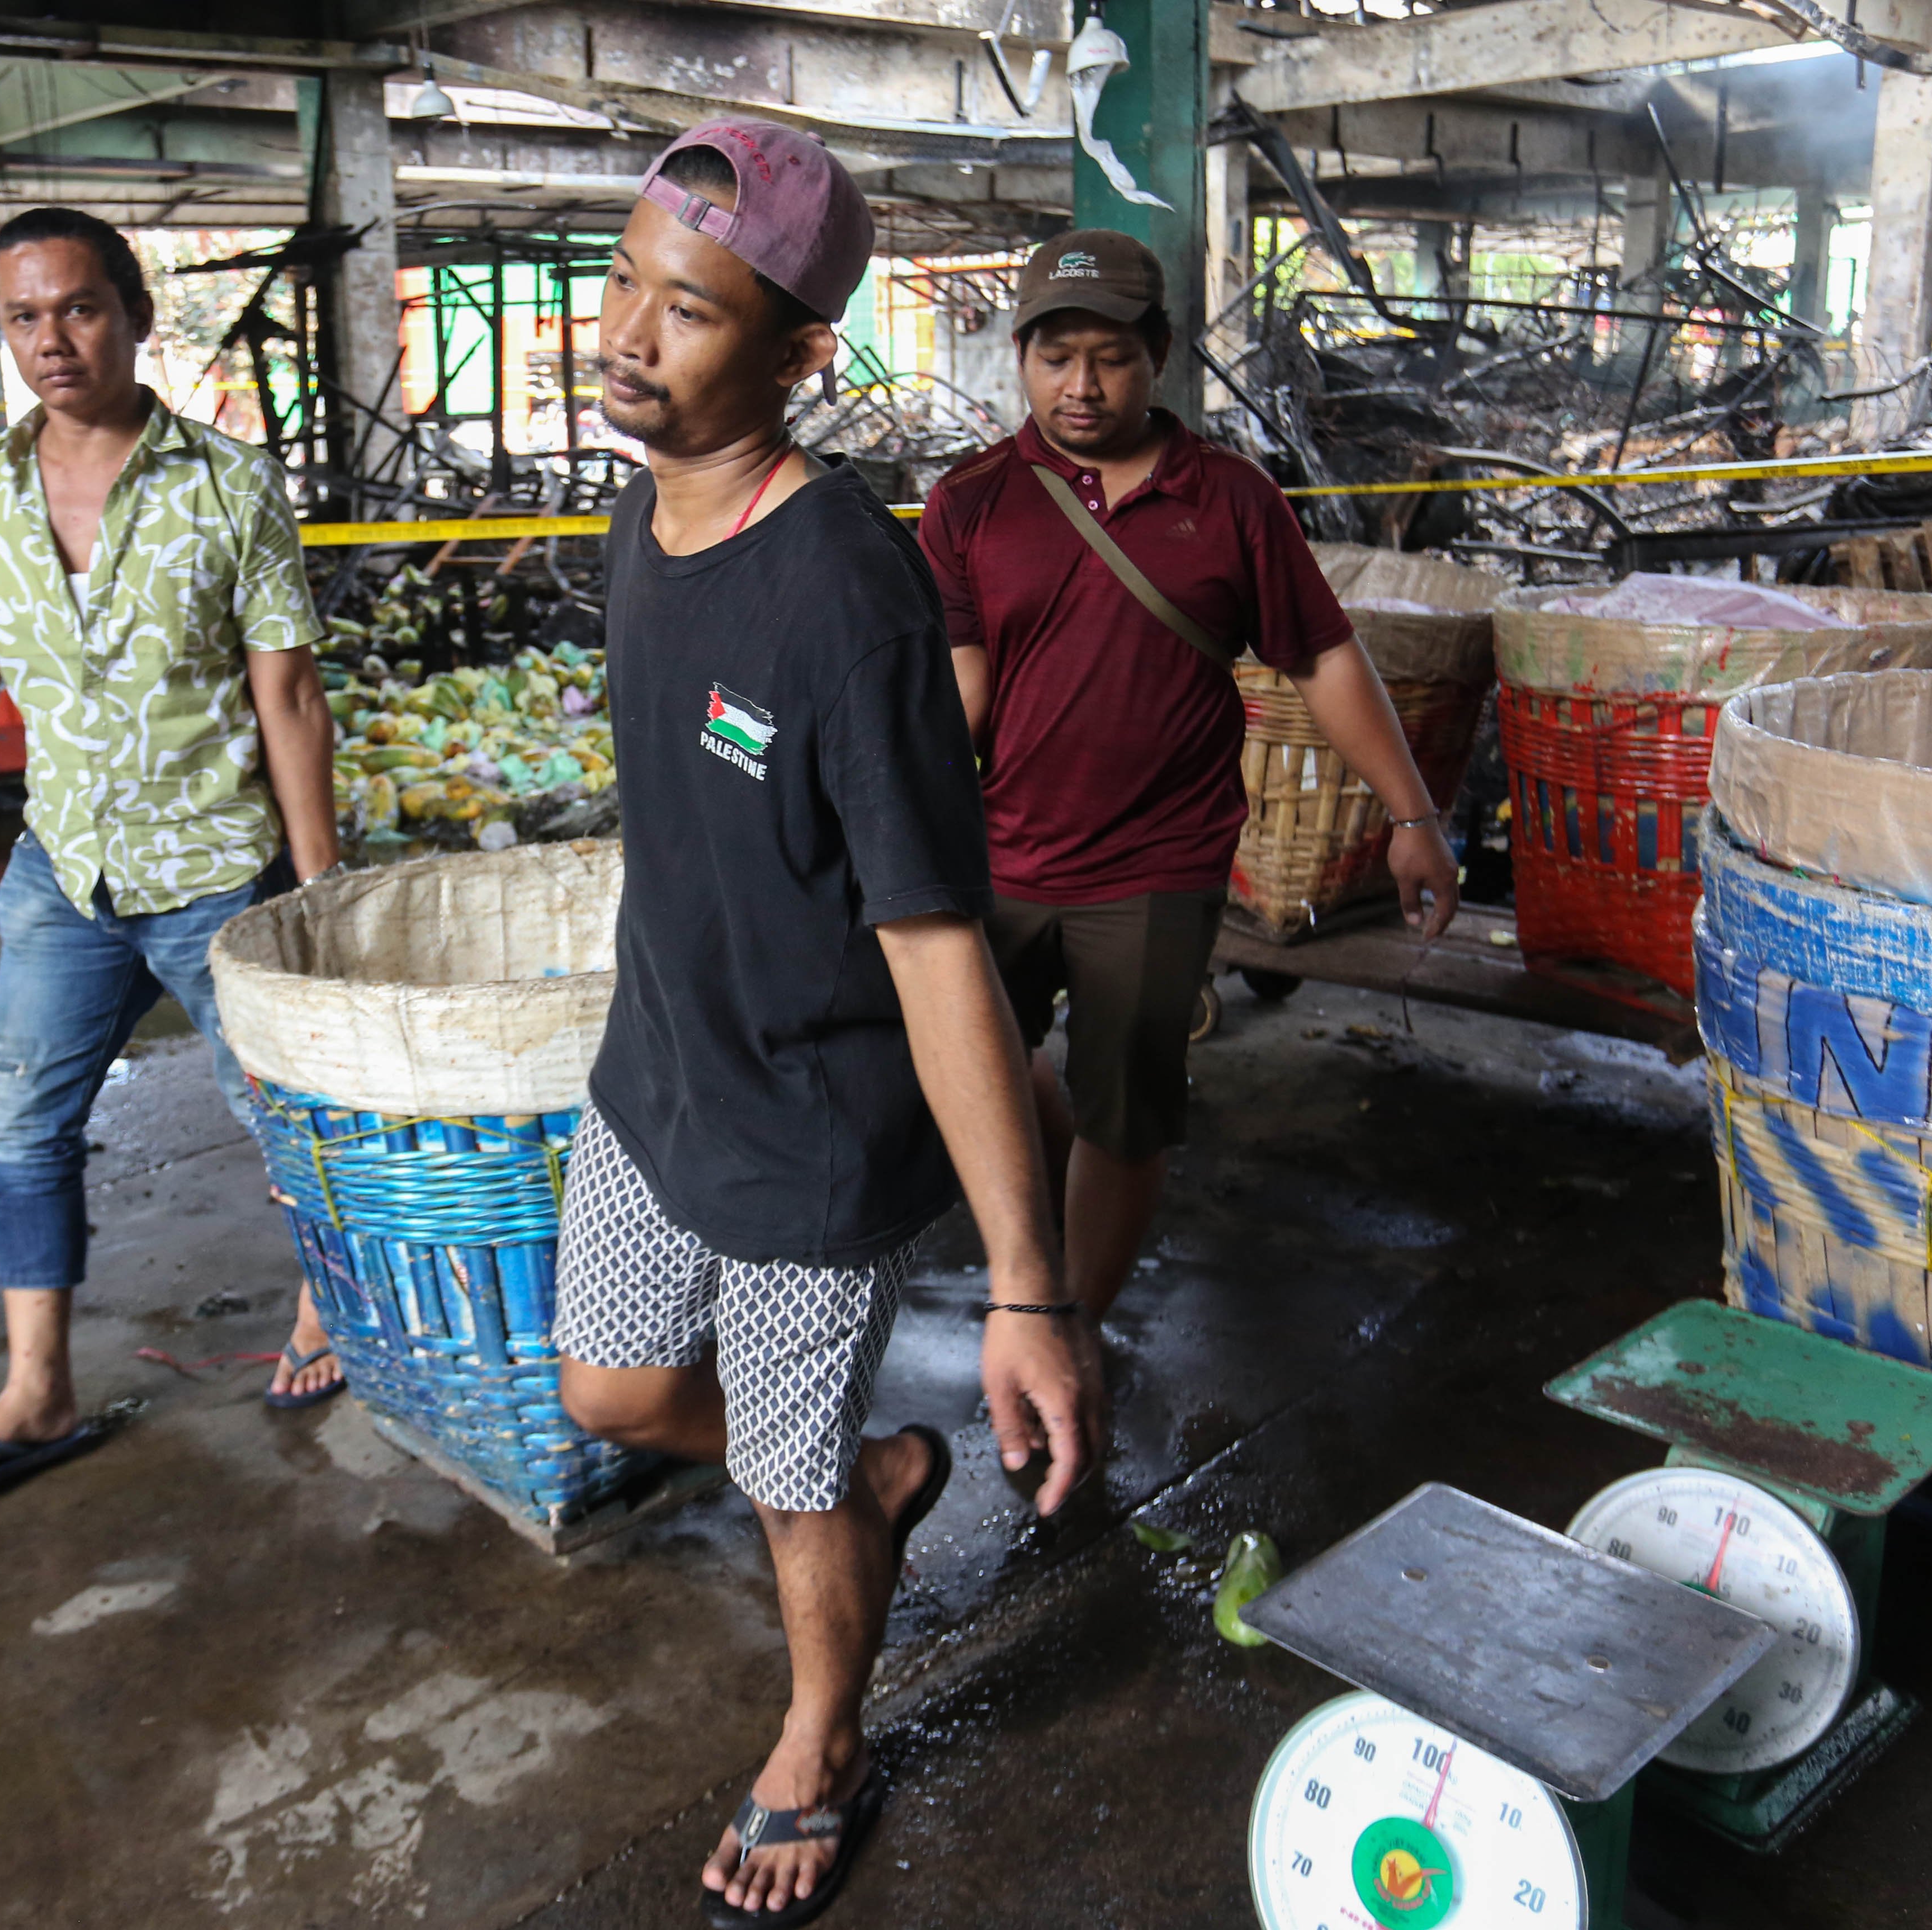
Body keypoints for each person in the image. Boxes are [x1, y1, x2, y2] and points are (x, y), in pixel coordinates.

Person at [551, 122, 1104, 1928]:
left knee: (787, 1497)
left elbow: (939, 947)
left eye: (689, 309)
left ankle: (822, 1738)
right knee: (614, 1389)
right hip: (658, 1078)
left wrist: (1023, 1286)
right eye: (625, 278)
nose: (630, 330)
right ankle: (868, 1469)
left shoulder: (843, 594)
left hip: (810, 1128)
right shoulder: (643, 513)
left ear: (796, 355)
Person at [920, 230, 1460, 1322]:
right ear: (1017, 354)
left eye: (1109, 356)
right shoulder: (970, 504)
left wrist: (1412, 816)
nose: (1079, 384)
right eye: (1054, 354)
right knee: (969, 1071)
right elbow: (957, 694)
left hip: (1155, 868)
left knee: (1128, 1116)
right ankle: (1055, 1222)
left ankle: (1066, 1328)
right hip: (999, 856)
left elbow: (1320, 657)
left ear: (1157, 353)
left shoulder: (1228, 501)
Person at [0, 206, 346, 1503]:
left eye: (79, 308)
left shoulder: (225, 482)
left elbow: (291, 693)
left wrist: (316, 885)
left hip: (216, 869)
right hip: (66, 870)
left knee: (287, 1123)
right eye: (25, 317)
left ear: (134, 316)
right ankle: (37, 1389)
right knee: (23, 1125)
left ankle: (327, 1307)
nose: (52, 339)